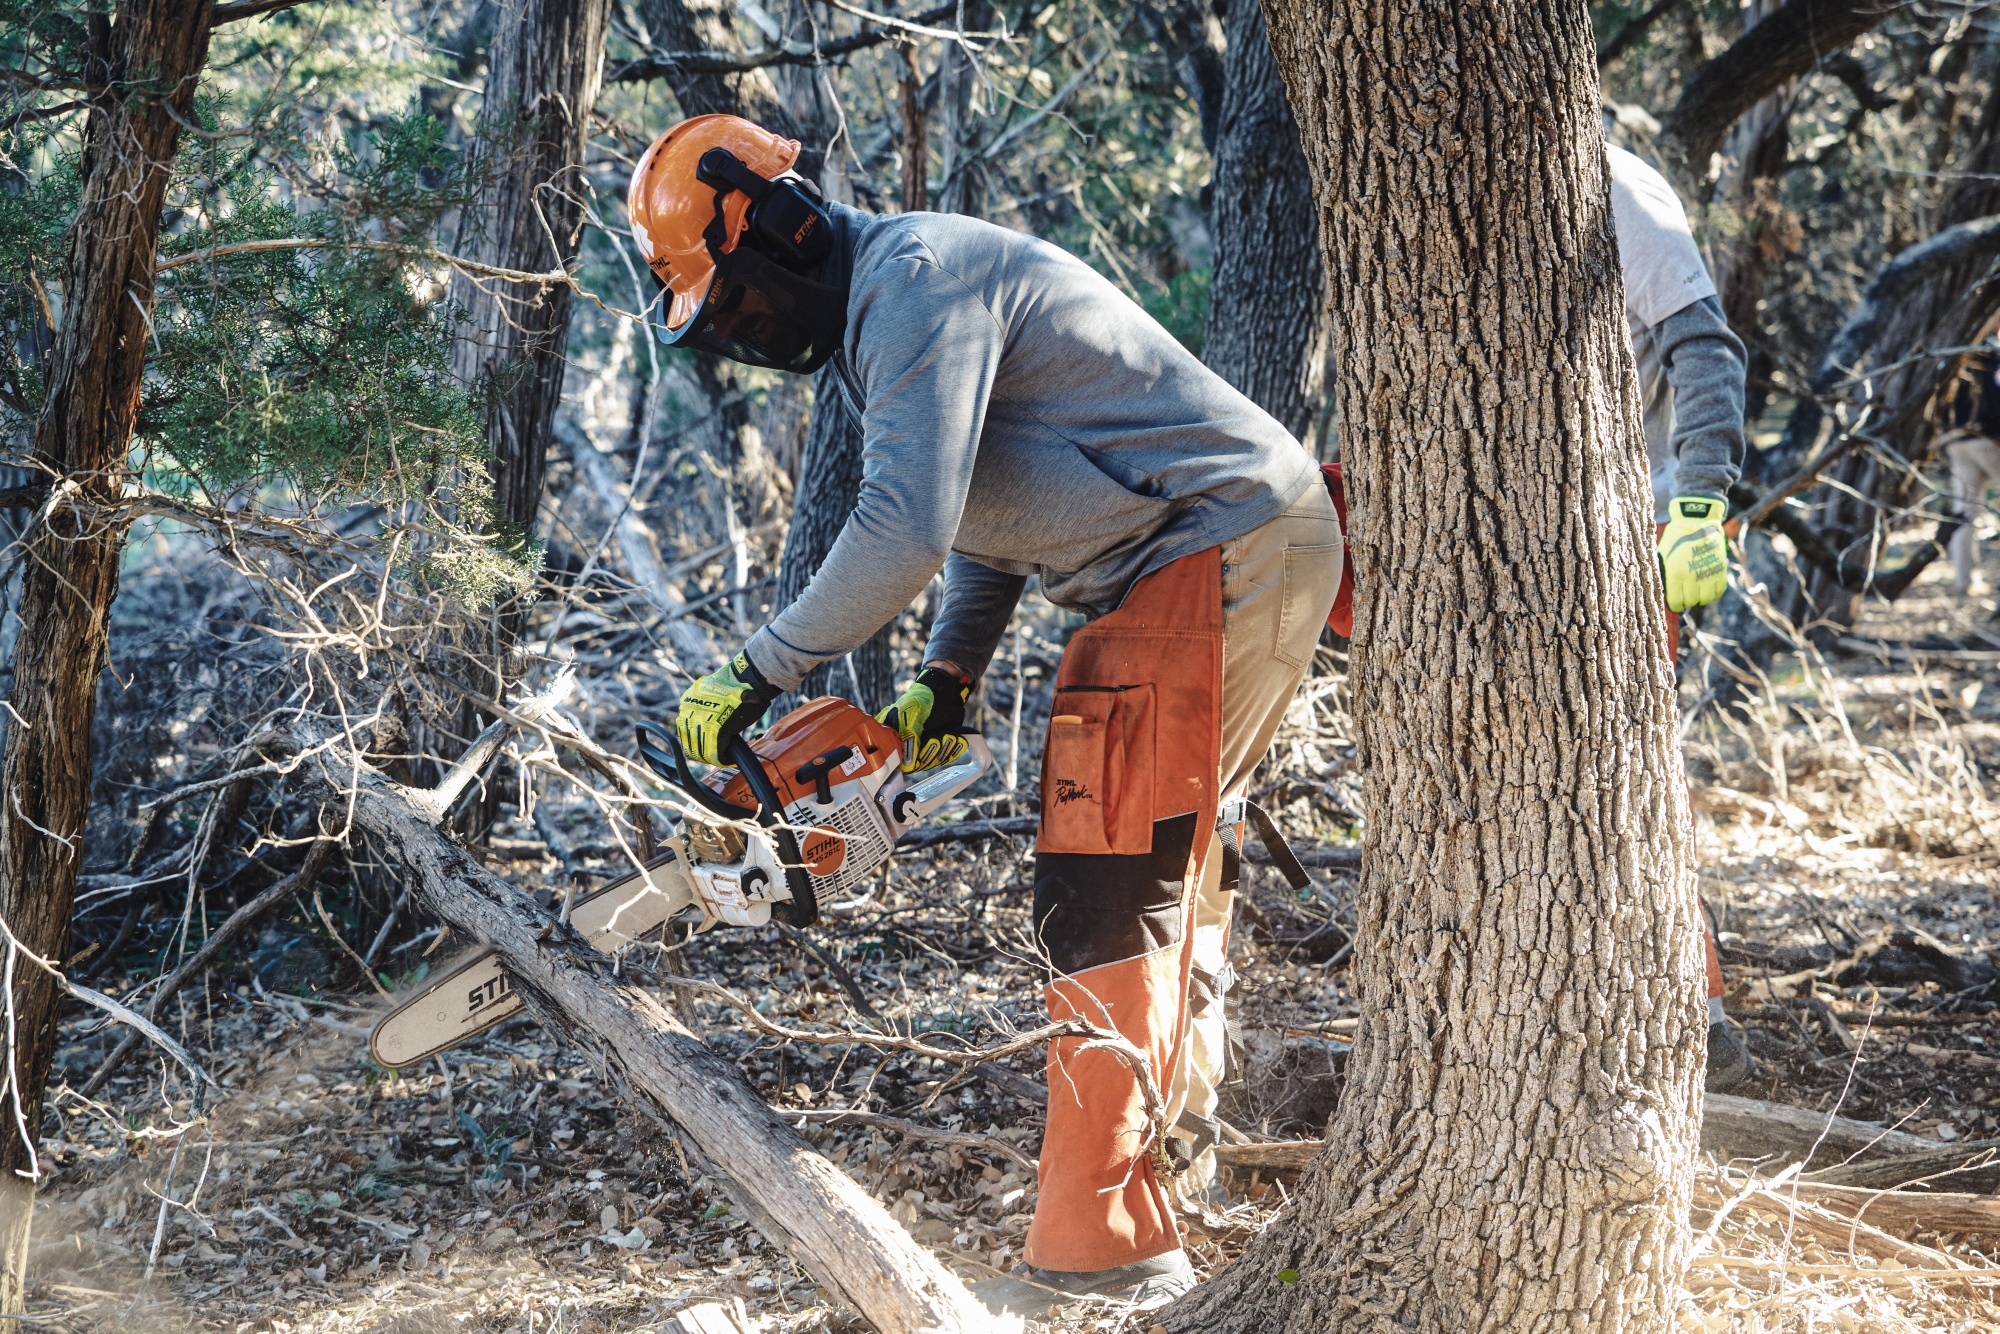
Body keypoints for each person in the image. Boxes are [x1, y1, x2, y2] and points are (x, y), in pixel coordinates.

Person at [630, 114, 1340, 1314]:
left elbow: (903, 526)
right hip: (1185, 560)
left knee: (1107, 878)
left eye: (742, 307)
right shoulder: (889, 315)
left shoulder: (911, 280)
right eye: (728, 330)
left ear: (788, 229)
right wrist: (948, 676)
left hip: (1215, 547)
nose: (749, 335)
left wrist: (763, 668)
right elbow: (977, 515)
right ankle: (1168, 1170)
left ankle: (1106, 1240)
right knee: (1155, 870)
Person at [1607, 141, 1754, 1090]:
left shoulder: (1616, 184)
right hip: (1503, 535)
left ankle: (1695, 1013)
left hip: (1624, 532)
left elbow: (1703, 345)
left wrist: (1699, 497)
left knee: (1633, 770)